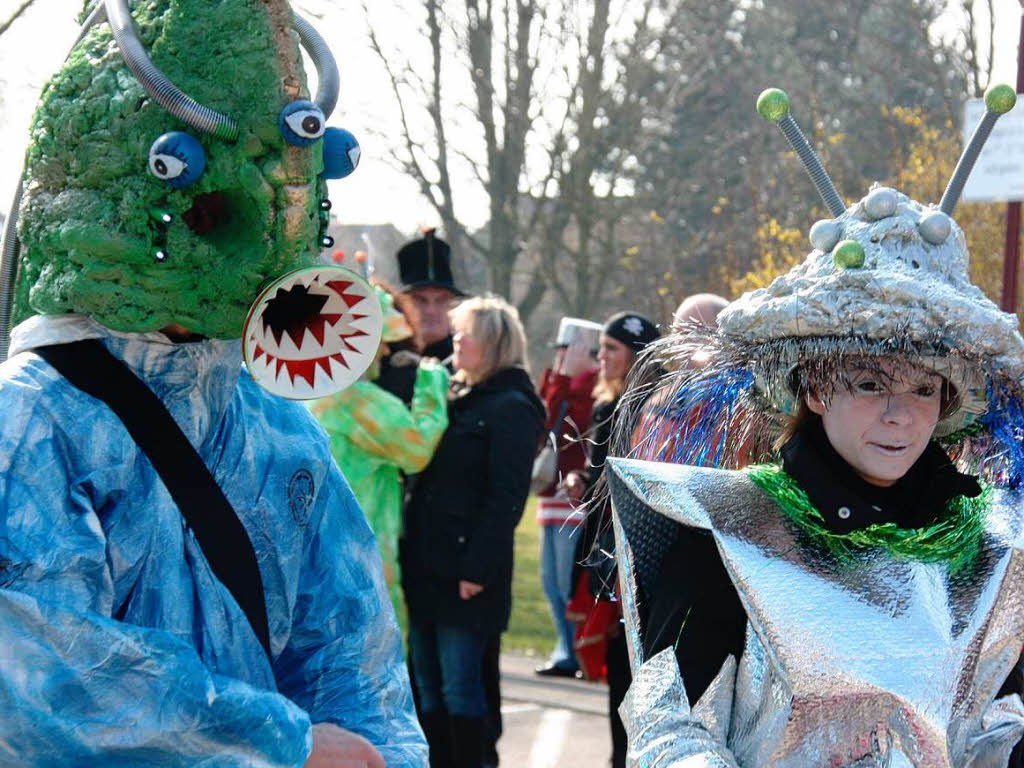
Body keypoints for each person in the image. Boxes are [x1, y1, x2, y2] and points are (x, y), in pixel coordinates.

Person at [0, 2, 426, 765]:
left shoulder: (275, 423)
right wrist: (281, 744)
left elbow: (353, 652)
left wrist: (374, 753)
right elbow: (38, 675)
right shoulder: (31, 420)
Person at [608, 86, 1024, 767]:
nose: (900, 414)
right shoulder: (734, 531)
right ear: (816, 389)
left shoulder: (984, 554)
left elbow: (996, 728)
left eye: (925, 389)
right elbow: (673, 728)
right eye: (868, 384)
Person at [400, 296, 544, 768]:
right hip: (425, 563)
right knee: (426, 685)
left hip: (465, 571)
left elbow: (505, 497)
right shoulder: (455, 394)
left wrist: (477, 568)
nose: (455, 340)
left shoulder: (513, 406)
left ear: (493, 344)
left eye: (467, 334)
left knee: (461, 687)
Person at [310, 282, 450, 619]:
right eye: (379, 342)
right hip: (360, 556)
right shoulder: (356, 399)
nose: (386, 353)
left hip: (321, 550)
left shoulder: (315, 387)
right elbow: (415, 451)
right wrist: (432, 382)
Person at [565, 311, 659, 768]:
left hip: (640, 561)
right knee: (617, 675)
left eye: (612, 349)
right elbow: (602, 473)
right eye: (600, 347)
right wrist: (582, 480)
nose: (601, 357)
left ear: (637, 356)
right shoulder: (605, 408)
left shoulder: (654, 410)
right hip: (606, 557)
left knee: (637, 674)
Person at [533, 318, 602, 678]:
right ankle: (565, 647)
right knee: (551, 582)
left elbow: (567, 428)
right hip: (551, 496)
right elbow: (541, 420)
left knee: (566, 581)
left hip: (574, 498)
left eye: (567, 350)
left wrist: (565, 381)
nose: (561, 357)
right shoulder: (560, 381)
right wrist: (558, 378)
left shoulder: (591, 387)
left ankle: (575, 651)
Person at [377, 229, 467, 403]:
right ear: (401, 305)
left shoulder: (465, 363)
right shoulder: (381, 362)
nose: (431, 311)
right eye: (420, 300)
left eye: (441, 300)